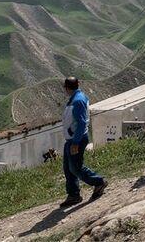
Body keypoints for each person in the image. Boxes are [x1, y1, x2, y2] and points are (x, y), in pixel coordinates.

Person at [60, 76, 106, 208]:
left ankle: (99, 182)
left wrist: (75, 142)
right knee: (68, 168)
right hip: (72, 139)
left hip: (76, 140)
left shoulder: (77, 101)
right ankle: (73, 194)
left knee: (75, 167)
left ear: (67, 88)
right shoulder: (77, 98)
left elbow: (81, 123)